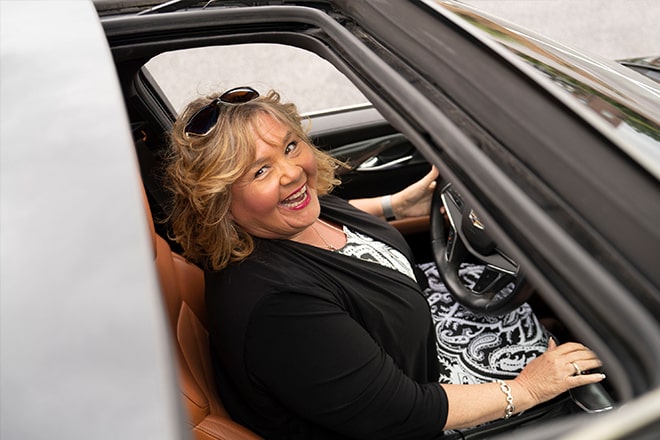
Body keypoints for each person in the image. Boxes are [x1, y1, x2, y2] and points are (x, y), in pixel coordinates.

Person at [165, 87, 605, 439]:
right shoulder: (280, 307)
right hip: (425, 410)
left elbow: (340, 215)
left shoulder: (295, 214)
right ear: (220, 199)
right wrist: (527, 389)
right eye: (259, 171)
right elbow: (400, 413)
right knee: (604, 377)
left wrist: (399, 203)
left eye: (290, 145)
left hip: (420, 344)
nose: (293, 172)